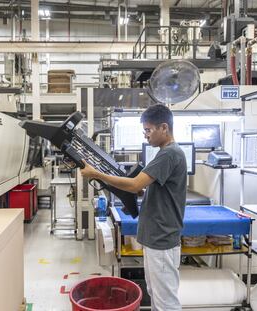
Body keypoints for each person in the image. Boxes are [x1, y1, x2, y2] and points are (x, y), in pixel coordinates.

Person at [80, 104, 187, 311]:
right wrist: (143, 193)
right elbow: (146, 188)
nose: (146, 135)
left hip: (161, 239)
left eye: (148, 130)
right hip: (156, 238)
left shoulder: (169, 154)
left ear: (164, 127)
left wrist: (96, 174)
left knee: (166, 302)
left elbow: (136, 183)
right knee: (156, 294)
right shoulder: (166, 153)